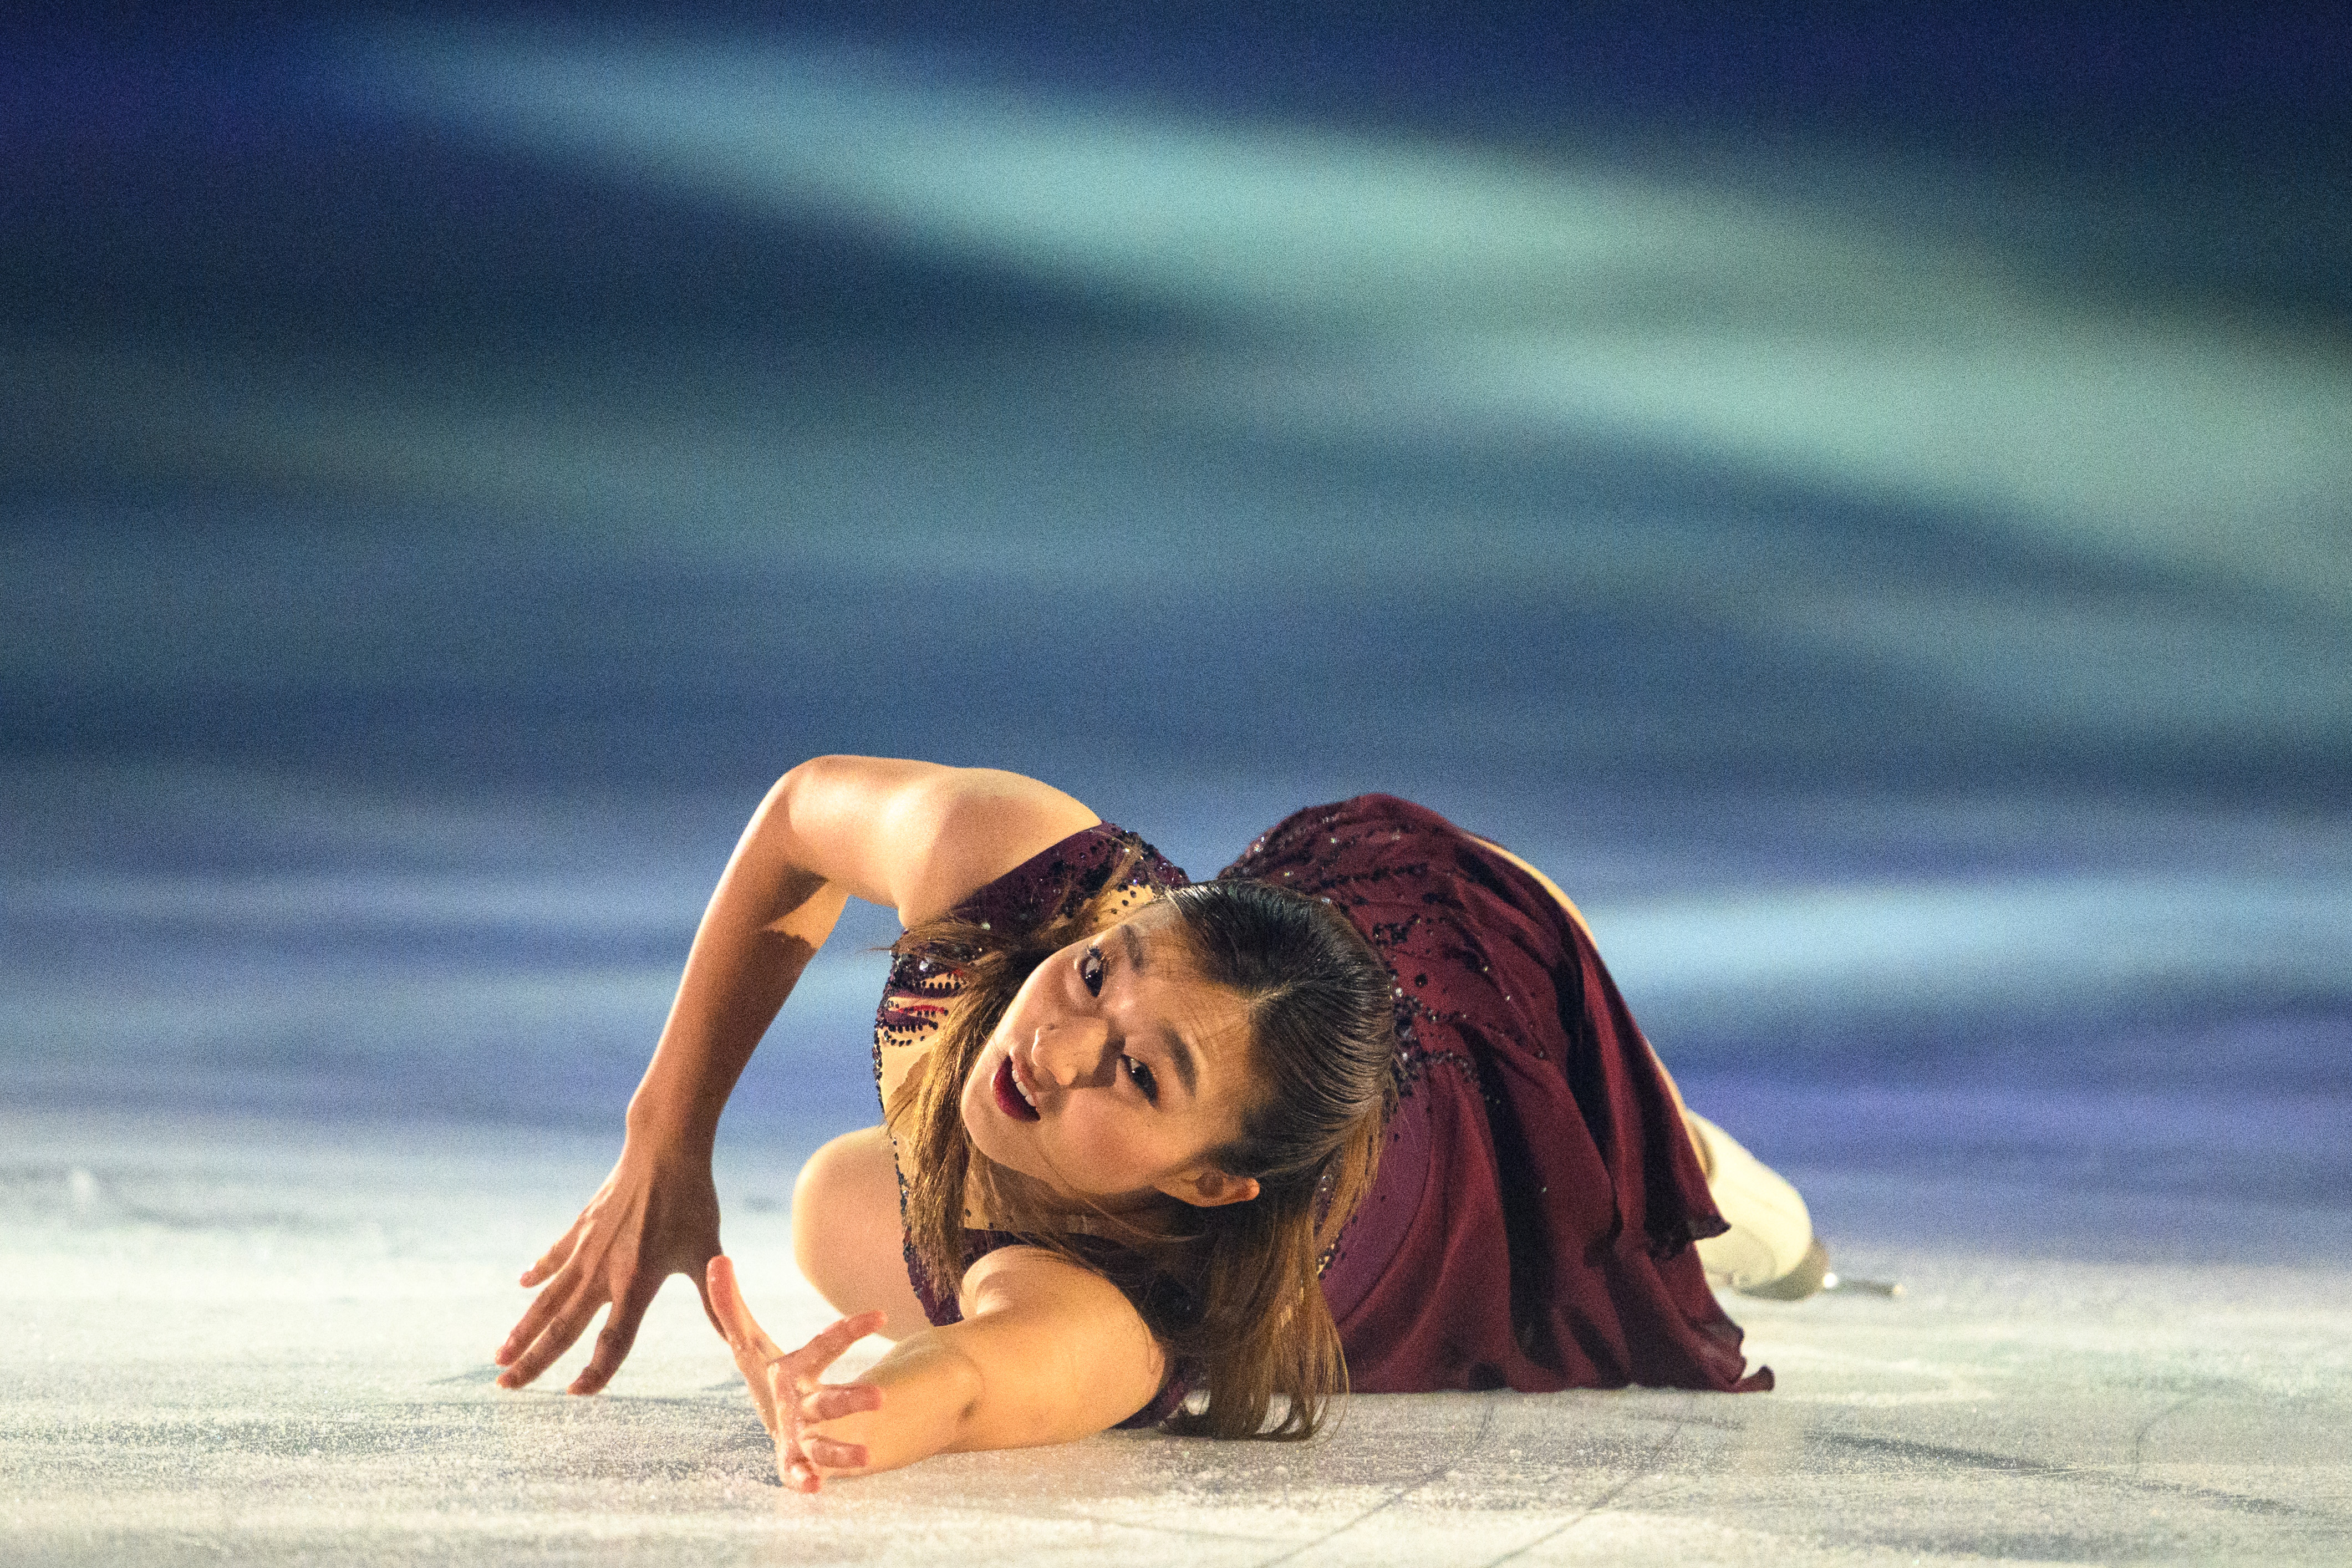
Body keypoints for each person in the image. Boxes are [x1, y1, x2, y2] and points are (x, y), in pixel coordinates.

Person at [492, 757, 1823, 1490]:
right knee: (833, 1205)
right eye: (1093, 974)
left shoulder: (1120, 1312)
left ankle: (1676, 1149)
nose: (1051, 1045)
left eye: (1137, 1078)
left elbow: (956, 1391)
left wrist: (834, 1415)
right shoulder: (1015, 867)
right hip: (1349, 916)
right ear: (1115, 921)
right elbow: (798, 816)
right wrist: (666, 1135)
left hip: (1502, 1096)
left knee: (1683, 1201)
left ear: (1213, 1186)